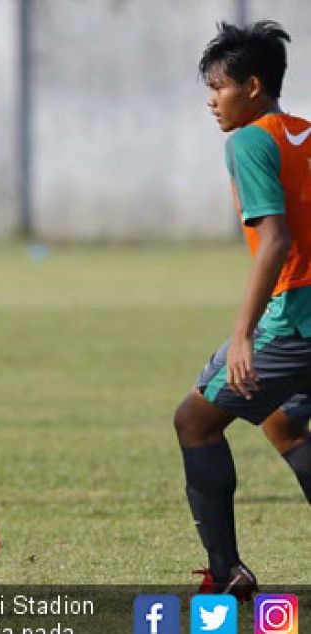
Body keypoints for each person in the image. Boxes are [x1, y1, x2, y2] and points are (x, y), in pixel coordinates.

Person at [174, 20, 311, 598]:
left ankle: (227, 572)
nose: (212, 101)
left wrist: (243, 335)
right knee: (284, 421)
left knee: (196, 421)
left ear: (254, 86)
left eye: (220, 87)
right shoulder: (304, 132)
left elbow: (275, 242)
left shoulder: (250, 142)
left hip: (296, 318)